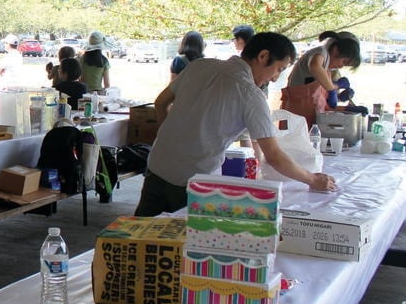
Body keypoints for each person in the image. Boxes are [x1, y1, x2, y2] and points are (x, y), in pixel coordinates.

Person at [135, 32, 336, 217]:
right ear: (263, 56)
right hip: (191, 179)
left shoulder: (199, 66)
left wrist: (168, 136)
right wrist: (312, 179)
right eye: (278, 69)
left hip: (158, 163)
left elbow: (161, 102)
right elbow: (274, 155)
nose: (274, 78)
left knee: (138, 236)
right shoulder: (250, 95)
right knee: (178, 244)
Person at [286, 30, 362, 94]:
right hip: (295, 108)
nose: (341, 66)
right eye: (344, 61)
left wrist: (339, 97)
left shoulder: (328, 68)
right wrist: (333, 88)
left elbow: (322, 98)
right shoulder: (320, 52)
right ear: (336, 50)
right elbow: (315, 67)